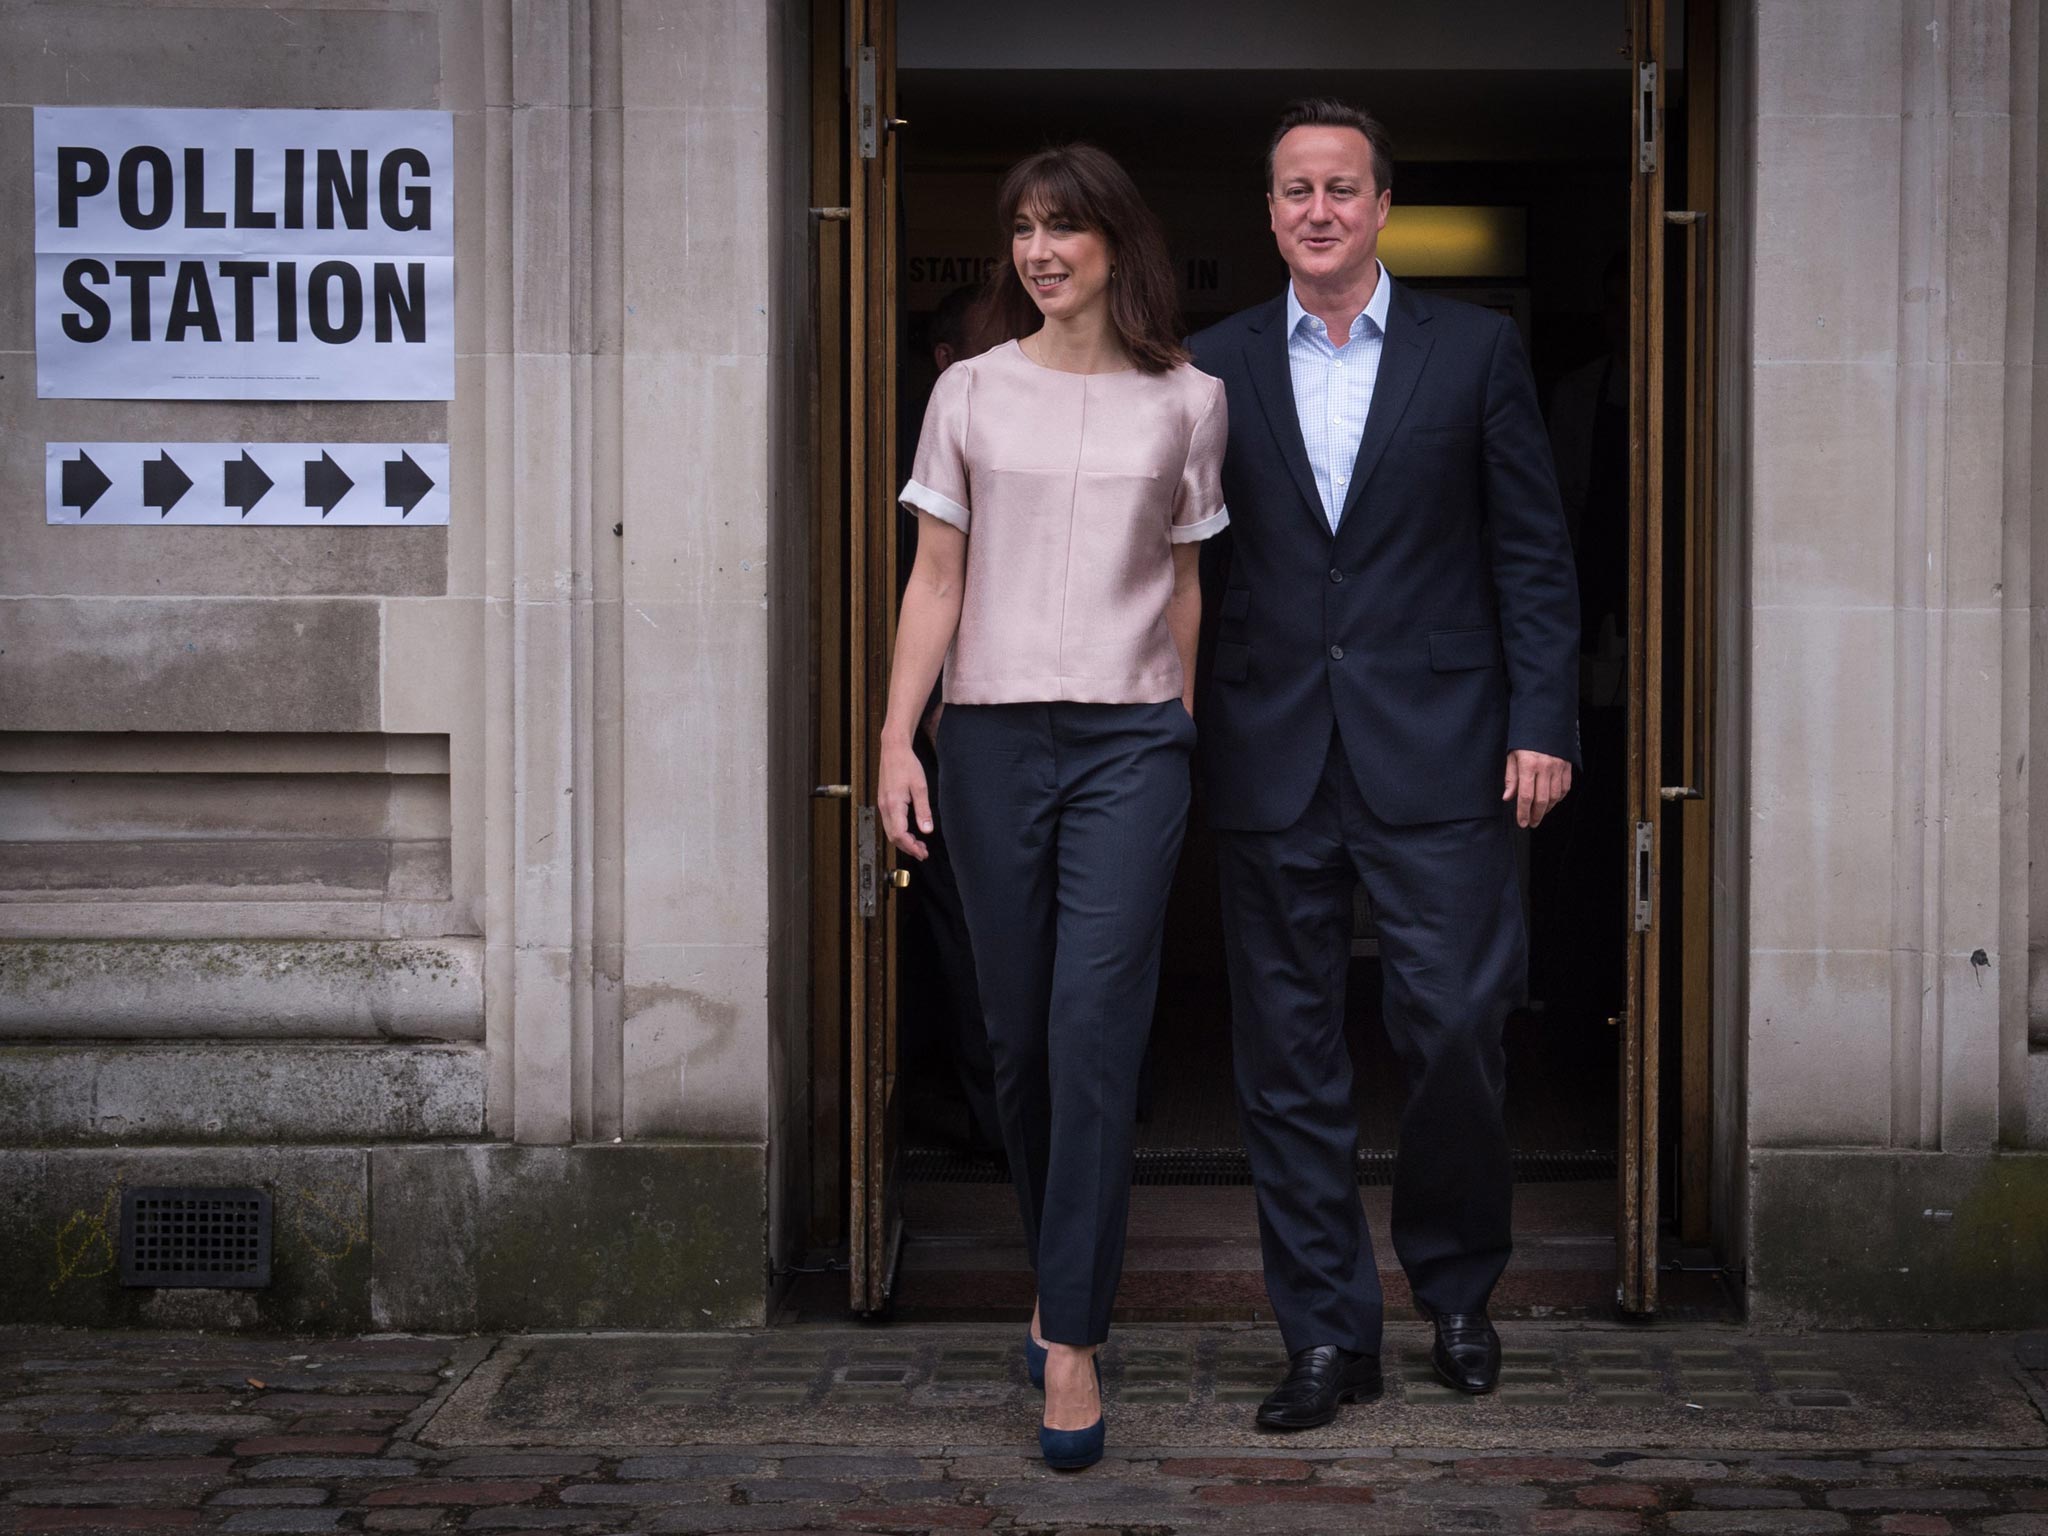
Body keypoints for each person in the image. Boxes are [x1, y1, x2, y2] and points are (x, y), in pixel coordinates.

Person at [1188, 99, 1579, 1430]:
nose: (1316, 208)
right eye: (1293, 188)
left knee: (1458, 1031)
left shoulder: (1476, 352)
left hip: (1450, 755)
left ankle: (1458, 1291)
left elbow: (1531, 550)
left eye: (1340, 187)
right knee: (1287, 1061)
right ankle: (1324, 1338)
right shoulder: (1213, 364)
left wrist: (1545, 720)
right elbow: (1192, 568)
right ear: (1270, 211)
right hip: (1269, 752)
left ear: (1381, 206)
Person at [876, 144, 1228, 1470]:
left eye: (1064, 228)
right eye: (1023, 228)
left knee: (1092, 1031)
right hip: (991, 739)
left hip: (1133, 744)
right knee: (1016, 1041)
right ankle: (1058, 1269)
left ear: (1114, 246)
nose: (1038, 249)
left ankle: (1071, 1338)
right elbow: (935, 577)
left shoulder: (1190, 403)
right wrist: (896, 743)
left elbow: (1187, 586)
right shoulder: (967, 392)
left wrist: (1178, 728)